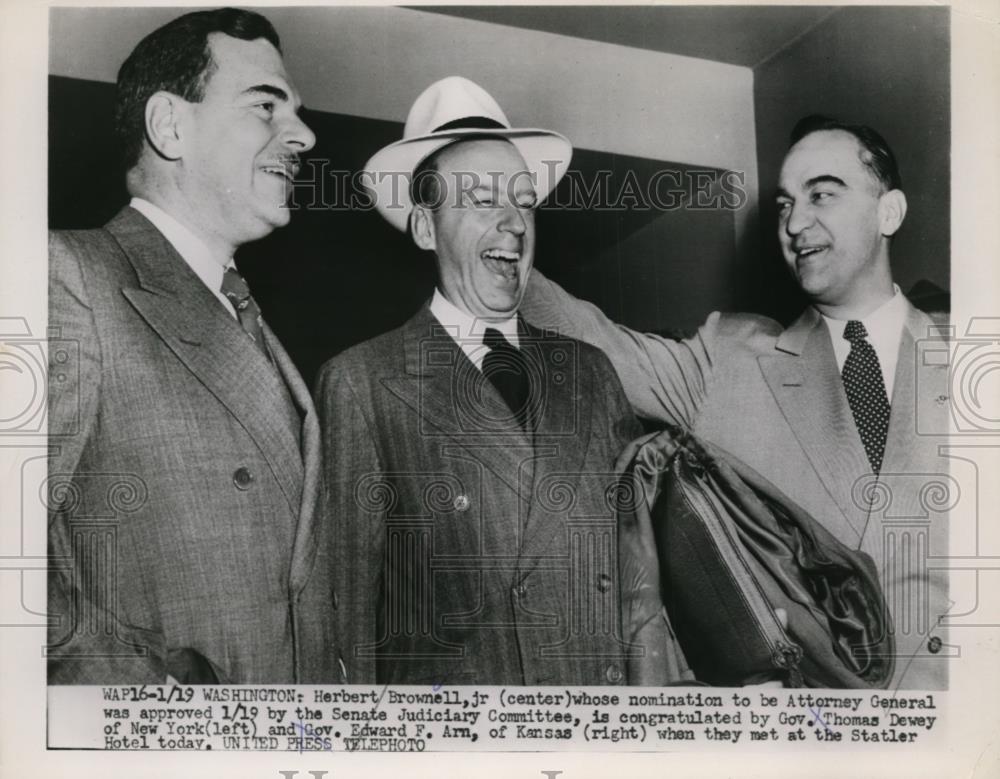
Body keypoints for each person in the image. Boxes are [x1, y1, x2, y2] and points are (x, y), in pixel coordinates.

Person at [520, 115, 950, 690]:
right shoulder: (730, 357)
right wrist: (491, 240)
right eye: (783, 204)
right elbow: (595, 342)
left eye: (821, 193)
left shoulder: (971, 357)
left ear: (888, 212)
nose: (796, 222)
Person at [315, 77, 680, 686]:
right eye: (483, 201)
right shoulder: (362, 385)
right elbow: (345, 626)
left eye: (523, 201)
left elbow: (638, 582)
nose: (513, 223)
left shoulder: (590, 371)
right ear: (427, 229)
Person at [47, 8, 341, 684]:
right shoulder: (70, 277)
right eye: (265, 106)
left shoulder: (240, 307)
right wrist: (154, 698)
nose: (303, 134)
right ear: (170, 126)